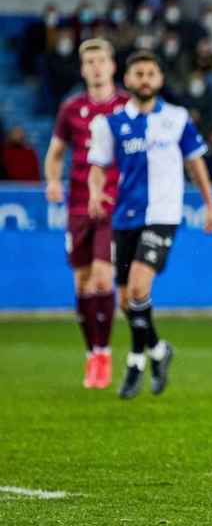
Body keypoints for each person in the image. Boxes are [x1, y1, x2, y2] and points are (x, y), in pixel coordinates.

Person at [86, 50, 212, 399]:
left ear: (160, 79)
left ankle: (134, 361)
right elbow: (97, 166)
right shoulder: (110, 123)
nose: (144, 79)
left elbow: (196, 163)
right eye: (138, 73)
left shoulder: (177, 118)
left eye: (151, 73)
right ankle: (159, 350)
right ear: (127, 80)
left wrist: (210, 205)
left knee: (139, 287)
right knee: (126, 301)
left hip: (162, 215)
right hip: (124, 217)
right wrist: (95, 193)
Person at [44, 38, 131, 389]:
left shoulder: (127, 106)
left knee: (101, 278)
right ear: (83, 69)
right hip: (78, 203)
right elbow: (55, 152)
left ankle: (105, 352)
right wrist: (52, 181)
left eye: (101, 60)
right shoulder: (71, 109)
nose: (96, 67)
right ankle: (91, 352)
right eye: (90, 62)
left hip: (114, 204)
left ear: (112, 66)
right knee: (81, 282)